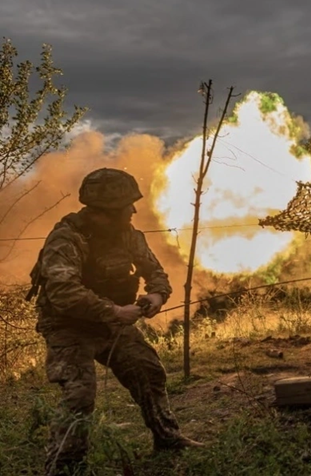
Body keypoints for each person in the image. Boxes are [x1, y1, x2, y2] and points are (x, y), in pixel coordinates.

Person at [27, 168, 202, 475]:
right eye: (126, 205)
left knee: (148, 371)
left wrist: (156, 296)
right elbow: (63, 293)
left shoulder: (129, 235)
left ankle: (167, 437)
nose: (133, 210)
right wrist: (115, 312)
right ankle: (65, 467)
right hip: (68, 327)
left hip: (111, 325)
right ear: (104, 211)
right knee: (79, 395)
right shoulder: (67, 238)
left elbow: (156, 272)